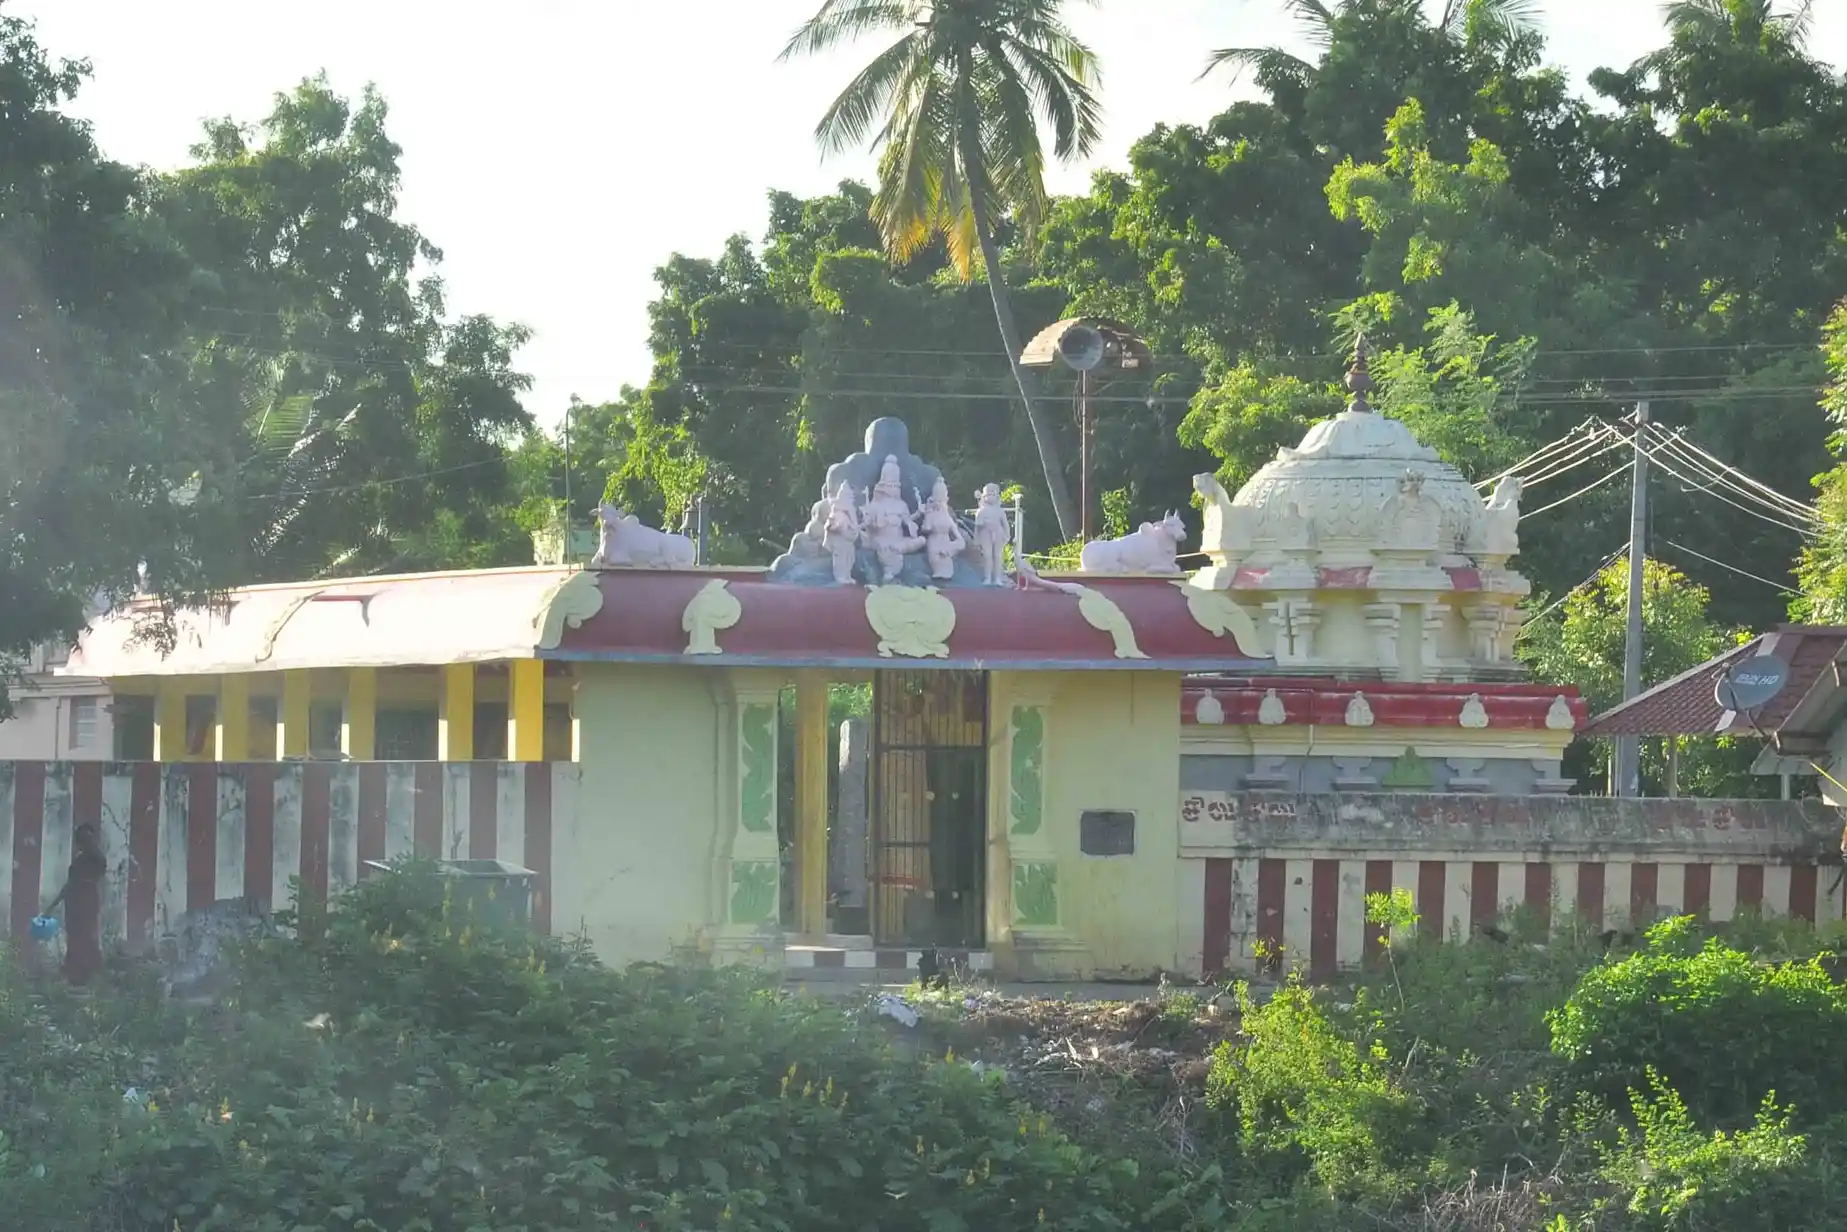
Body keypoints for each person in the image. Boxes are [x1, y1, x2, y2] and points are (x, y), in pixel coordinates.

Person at [43, 822, 106, 986]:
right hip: (75, 905)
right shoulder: (80, 861)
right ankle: (77, 974)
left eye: (89, 838)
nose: (86, 841)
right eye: (83, 838)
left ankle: (88, 973)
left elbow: (79, 881)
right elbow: (69, 885)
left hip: (85, 904)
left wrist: (53, 905)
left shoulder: (95, 859)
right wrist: (52, 906)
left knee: (85, 938)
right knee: (76, 939)